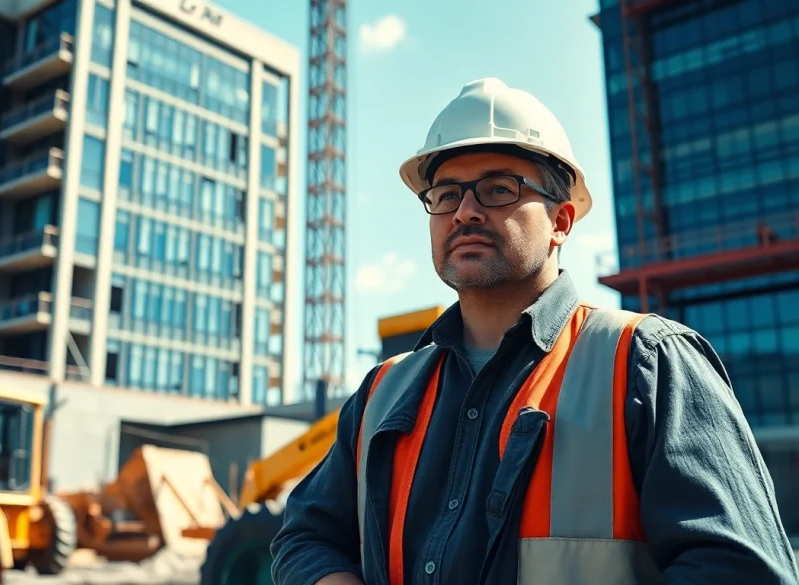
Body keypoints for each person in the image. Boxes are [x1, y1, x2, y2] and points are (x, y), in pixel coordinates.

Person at [269, 77, 799, 585]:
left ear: (562, 221)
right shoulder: (382, 393)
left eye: (498, 189)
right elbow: (305, 537)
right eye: (446, 194)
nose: (464, 212)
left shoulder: (648, 362)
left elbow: (741, 569)